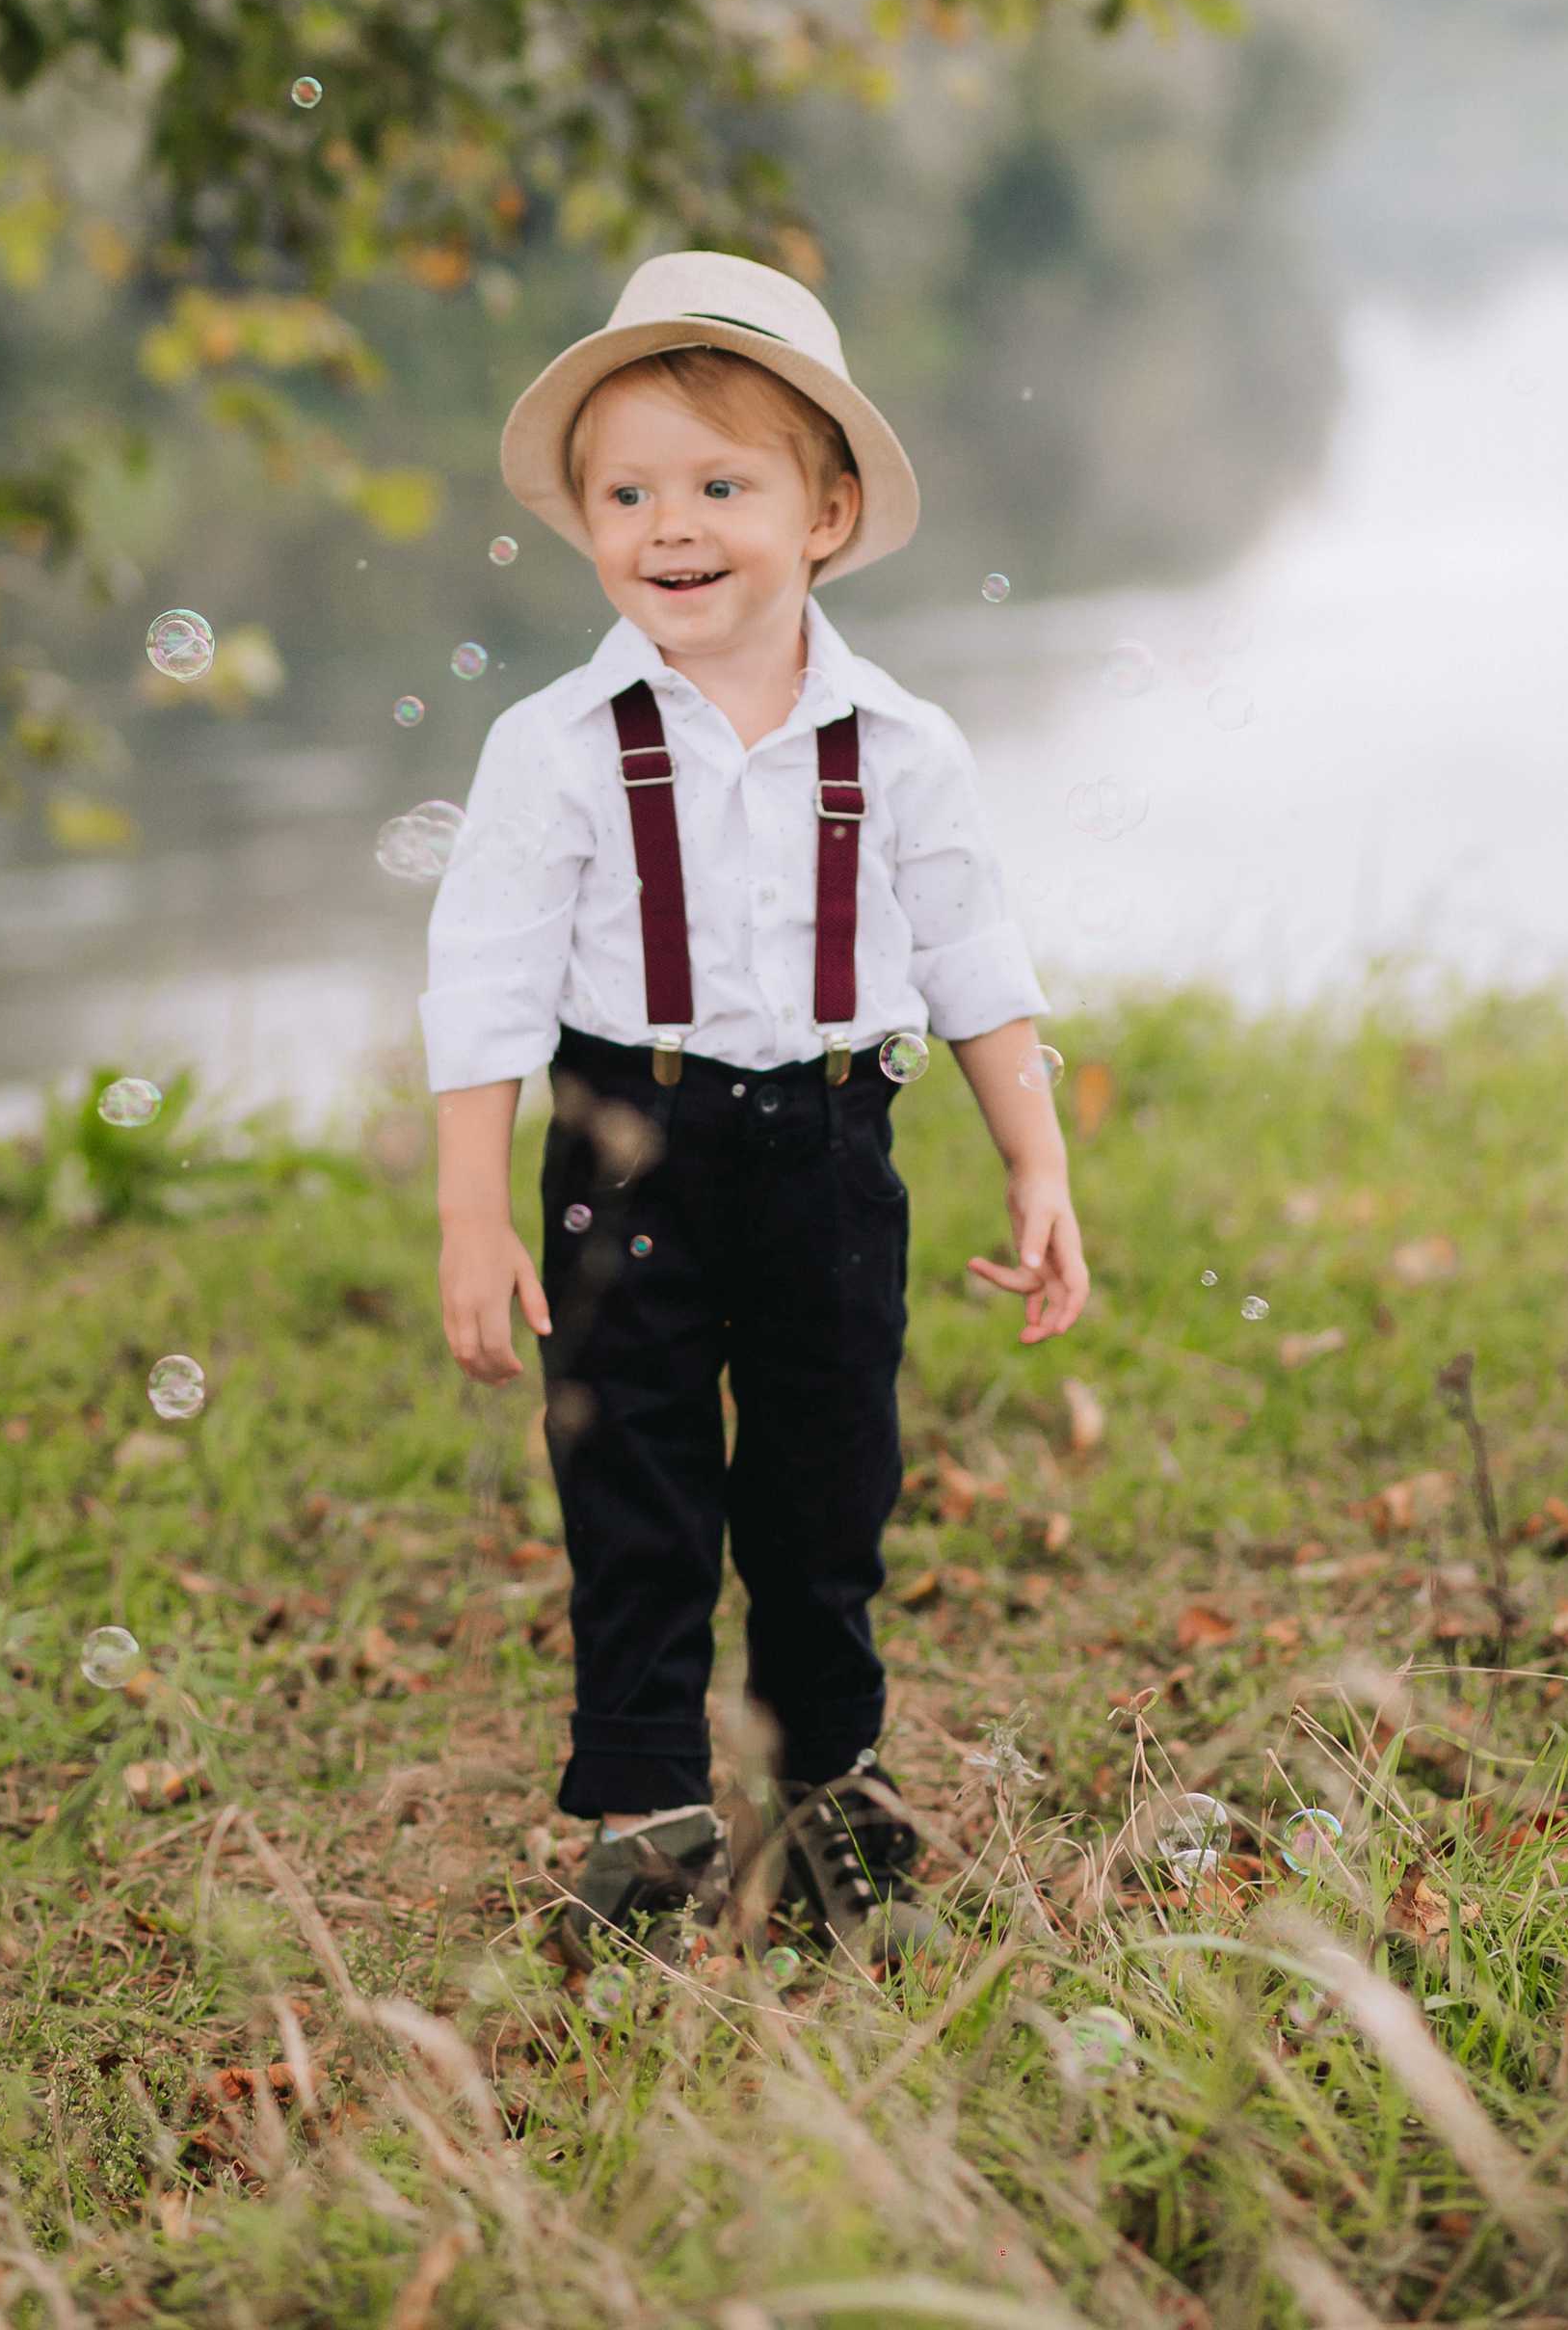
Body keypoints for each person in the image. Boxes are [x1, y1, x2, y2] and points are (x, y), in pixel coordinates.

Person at [422, 251, 1089, 1968]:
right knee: (630, 1482)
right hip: (620, 1156)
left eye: (723, 485)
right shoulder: (553, 744)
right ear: (585, 522)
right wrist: (473, 1209)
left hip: (829, 1157)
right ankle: (646, 1816)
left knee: (823, 1485)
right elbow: (483, 980)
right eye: (629, 491)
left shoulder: (904, 743)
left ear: (828, 511)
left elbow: (972, 953)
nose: (673, 525)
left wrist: (1036, 1155)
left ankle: (828, 1800)